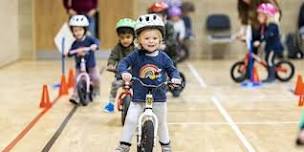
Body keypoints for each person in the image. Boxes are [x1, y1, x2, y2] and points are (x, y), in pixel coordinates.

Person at [114, 14, 181, 152]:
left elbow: (172, 70)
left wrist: (175, 78)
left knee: (161, 122)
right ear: (138, 39)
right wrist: (124, 72)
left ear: (161, 39)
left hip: (158, 96)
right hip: (139, 96)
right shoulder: (136, 55)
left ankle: (166, 145)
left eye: (155, 38)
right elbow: (123, 63)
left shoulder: (164, 58)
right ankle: (124, 145)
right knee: (131, 119)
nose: (151, 41)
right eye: (147, 38)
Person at [236, 0, 281, 80]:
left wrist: (271, 21)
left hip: (265, 27)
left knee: (268, 58)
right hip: (257, 28)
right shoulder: (242, 5)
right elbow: (244, 20)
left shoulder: (266, 4)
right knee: (251, 53)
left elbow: (275, 13)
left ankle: (271, 75)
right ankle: (248, 73)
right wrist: (242, 33)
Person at [65, 15, 100, 105]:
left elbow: (96, 42)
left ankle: (96, 90)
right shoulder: (75, 43)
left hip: (91, 64)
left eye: (80, 30)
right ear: (72, 31)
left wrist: (94, 46)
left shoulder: (89, 39)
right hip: (79, 66)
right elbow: (70, 51)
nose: (78, 32)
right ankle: (75, 96)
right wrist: (68, 52)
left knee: (96, 77)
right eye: (75, 30)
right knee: (76, 79)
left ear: (85, 30)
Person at [103, 18, 136, 113]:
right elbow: (113, 57)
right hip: (121, 75)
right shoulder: (117, 48)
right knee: (114, 85)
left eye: (128, 37)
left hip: (134, 76)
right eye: (122, 38)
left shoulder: (136, 48)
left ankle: (139, 104)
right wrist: (111, 65)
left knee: (140, 87)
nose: (125, 40)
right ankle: (111, 103)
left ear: (133, 36)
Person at [254, 3, 283, 83]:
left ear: (267, 16)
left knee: (269, 60)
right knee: (268, 59)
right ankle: (273, 73)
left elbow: (267, 35)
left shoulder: (272, 25)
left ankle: (271, 77)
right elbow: (261, 34)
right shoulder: (265, 25)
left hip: (274, 47)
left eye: (260, 15)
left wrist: (260, 42)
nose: (258, 18)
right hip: (270, 46)